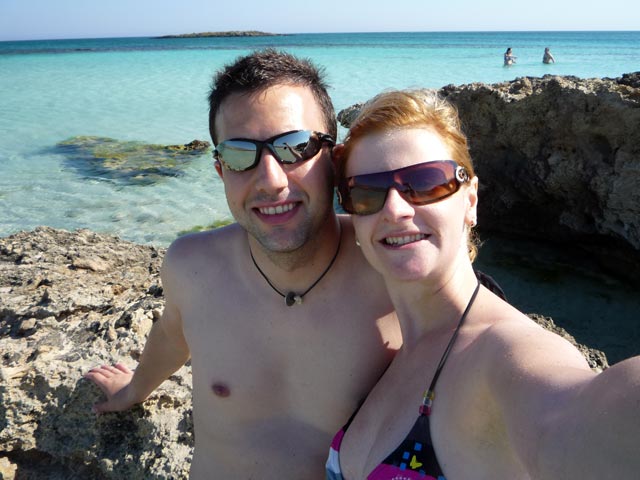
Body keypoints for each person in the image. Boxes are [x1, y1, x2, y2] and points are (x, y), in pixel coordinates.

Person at [85, 49, 401, 479]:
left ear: (335, 159)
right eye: (239, 155)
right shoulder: (193, 267)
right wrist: (134, 389)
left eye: (294, 147)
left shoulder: (390, 274)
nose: (270, 180)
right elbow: (174, 333)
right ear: (220, 171)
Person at [326, 89, 640, 479]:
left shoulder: (505, 353)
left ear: (470, 200)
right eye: (367, 194)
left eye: (425, 182)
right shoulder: (387, 351)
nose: (394, 209)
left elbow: (577, 419)